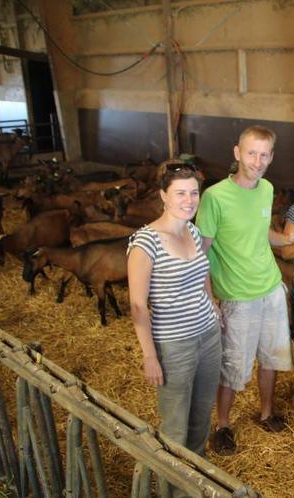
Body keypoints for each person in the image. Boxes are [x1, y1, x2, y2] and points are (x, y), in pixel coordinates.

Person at [196, 125, 294, 455]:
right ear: (237, 153)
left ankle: (266, 413)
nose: (257, 160)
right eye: (251, 153)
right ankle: (222, 425)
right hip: (238, 296)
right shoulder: (214, 197)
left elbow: (264, 233)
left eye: (264, 154)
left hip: (271, 288)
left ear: (271, 157)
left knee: (272, 356)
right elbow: (202, 250)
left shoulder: (266, 189)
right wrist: (210, 297)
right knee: (235, 366)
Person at [127, 161, 222, 460]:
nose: (188, 200)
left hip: (208, 336)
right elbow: (138, 306)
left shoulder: (193, 232)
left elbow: (202, 270)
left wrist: (212, 304)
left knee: (202, 413)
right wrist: (149, 355)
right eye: (180, 193)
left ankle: (198, 473)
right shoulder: (146, 242)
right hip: (174, 344)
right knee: (175, 424)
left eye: (193, 193)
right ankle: (176, 486)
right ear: (163, 196)